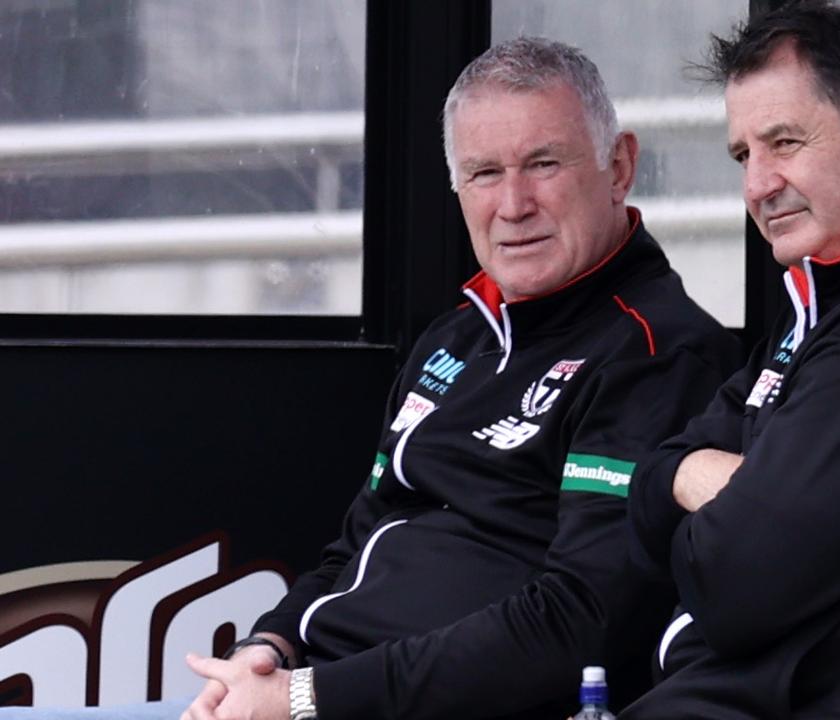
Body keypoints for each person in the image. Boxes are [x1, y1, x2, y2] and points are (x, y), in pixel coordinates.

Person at [0, 38, 737, 720]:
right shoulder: (455, 337)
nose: (512, 205)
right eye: (483, 173)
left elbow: (582, 621)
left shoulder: (655, 350)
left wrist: (303, 697)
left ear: (618, 166)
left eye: (544, 164)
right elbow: (359, 542)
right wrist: (269, 649)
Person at [624, 2, 840, 717]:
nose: (757, 186)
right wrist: (697, 478)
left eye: (784, 142)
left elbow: (737, 581)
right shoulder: (834, 293)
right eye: (742, 156)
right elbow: (649, 484)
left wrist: (712, 494)